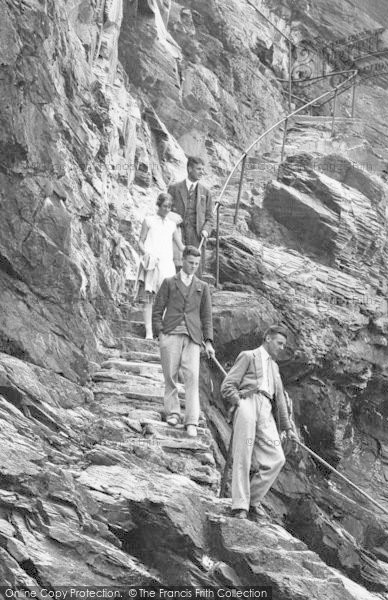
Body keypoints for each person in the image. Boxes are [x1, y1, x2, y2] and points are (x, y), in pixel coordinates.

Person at [221, 325, 298, 522]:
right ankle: (239, 505)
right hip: (247, 402)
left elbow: (279, 399)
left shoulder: (275, 367)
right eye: (279, 343)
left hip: (266, 409)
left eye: (284, 344)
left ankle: (251, 500)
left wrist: (288, 428)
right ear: (268, 339)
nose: (281, 347)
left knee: (276, 458)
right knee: (243, 454)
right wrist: (239, 402)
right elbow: (228, 385)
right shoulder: (248, 356)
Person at [152, 245, 215, 437]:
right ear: (182, 260)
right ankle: (173, 413)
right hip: (170, 333)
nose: (193, 266)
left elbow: (207, 316)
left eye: (197, 264)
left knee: (192, 378)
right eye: (190, 263)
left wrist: (209, 341)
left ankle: (191, 421)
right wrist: (160, 333)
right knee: (170, 376)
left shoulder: (202, 287)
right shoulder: (169, 282)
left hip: (193, 337)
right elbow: (157, 309)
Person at [135, 193, 184, 340]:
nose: (167, 210)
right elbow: (140, 241)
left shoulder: (171, 225)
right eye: (164, 206)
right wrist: (146, 254)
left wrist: (191, 252)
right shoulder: (149, 221)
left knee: (166, 299)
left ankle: (160, 331)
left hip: (167, 264)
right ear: (158, 205)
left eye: (169, 207)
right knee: (149, 298)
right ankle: (149, 332)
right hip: (151, 263)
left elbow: (180, 245)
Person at [168, 156, 214, 276]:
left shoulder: (206, 193)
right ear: (189, 169)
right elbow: (164, 210)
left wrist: (205, 230)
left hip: (197, 235)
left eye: (203, 169)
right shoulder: (174, 188)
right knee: (176, 266)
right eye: (199, 169)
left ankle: (194, 293)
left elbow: (210, 218)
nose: (202, 172)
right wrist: (171, 215)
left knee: (195, 269)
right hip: (178, 233)